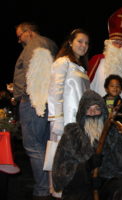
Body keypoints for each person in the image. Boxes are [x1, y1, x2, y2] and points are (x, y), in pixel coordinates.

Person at [52, 90, 122, 199]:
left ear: (103, 111)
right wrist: (86, 167)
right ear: (82, 112)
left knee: (121, 188)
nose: (93, 113)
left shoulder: (112, 134)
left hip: (107, 185)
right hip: (80, 185)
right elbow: (60, 172)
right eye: (89, 109)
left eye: (97, 109)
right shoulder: (72, 135)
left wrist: (105, 179)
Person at [13, 22, 57, 199]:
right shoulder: (48, 43)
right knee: (45, 144)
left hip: (34, 101)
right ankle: (51, 185)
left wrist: (22, 92)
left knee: (33, 145)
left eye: (19, 36)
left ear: (29, 32)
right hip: (43, 101)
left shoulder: (35, 44)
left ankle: (42, 188)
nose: (19, 40)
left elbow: (38, 72)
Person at [47, 28, 90, 198]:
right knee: (60, 160)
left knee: (74, 163)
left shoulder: (82, 68)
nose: (83, 45)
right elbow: (54, 91)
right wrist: (57, 119)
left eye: (86, 43)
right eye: (80, 41)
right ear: (70, 42)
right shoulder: (62, 62)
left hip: (79, 124)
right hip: (65, 121)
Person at [88, 6, 122, 111]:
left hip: (119, 109)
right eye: (116, 42)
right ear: (109, 44)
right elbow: (88, 85)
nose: (119, 46)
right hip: (97, 108)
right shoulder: (97, 60)